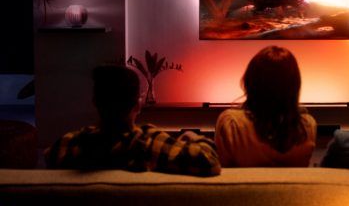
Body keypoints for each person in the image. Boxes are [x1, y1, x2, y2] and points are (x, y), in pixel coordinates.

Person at [45, 65, 221, 176]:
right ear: (137, 105)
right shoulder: (150, 143)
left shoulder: (67, 145)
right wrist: (192, 136)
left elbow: (49, 156)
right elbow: (209, 161)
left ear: (95, 102)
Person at [215, 46, 316, 167]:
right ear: (294, 85)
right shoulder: (307, 126)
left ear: (250, 80)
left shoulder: (231, 124)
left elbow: (219, 173)